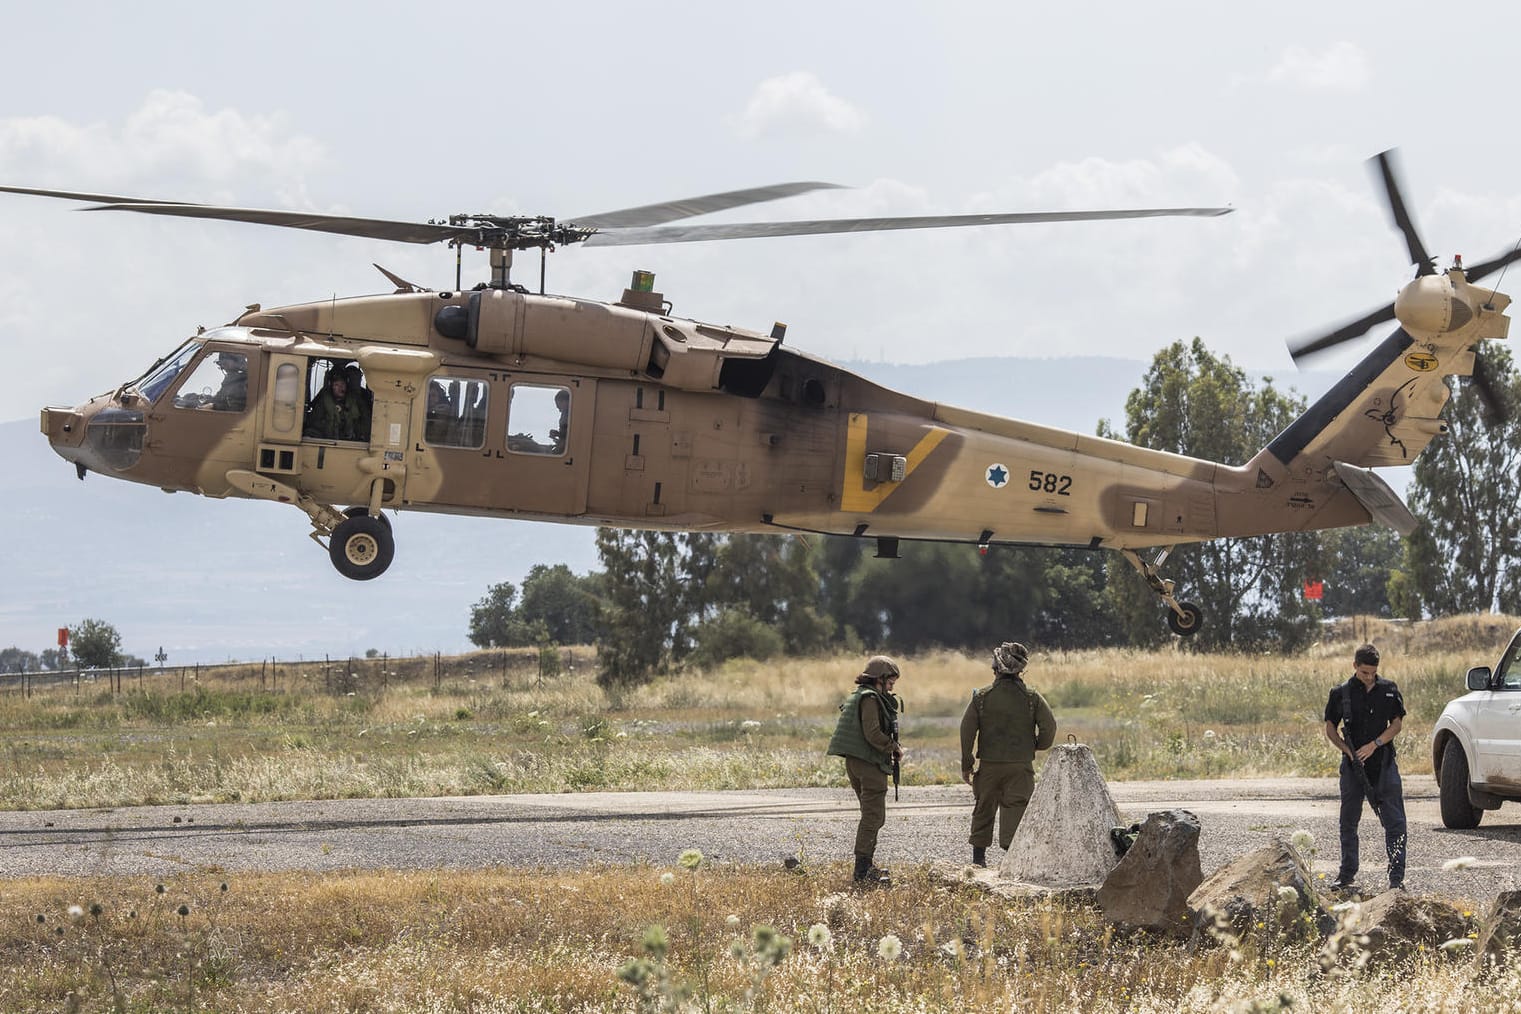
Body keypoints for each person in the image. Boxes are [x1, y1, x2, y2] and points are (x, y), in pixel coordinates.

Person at [959, 641, 1057, 867]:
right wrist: (1035, 746)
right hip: (1020, 766)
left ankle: (978, 860)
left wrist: (967, 764)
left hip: (989, 766)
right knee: (1017, 808)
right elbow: (1049, 727)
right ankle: (1012, 864)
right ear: (1020, 669)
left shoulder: (981, 697)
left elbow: (967, 732)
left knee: (984, 807)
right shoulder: (1033, 698)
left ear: (996, 668)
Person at [1323, 643, 1407, 892]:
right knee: (1348, 821)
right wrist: (1348, 752)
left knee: (1395, 822)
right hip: (1352, 766)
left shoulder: (1389, 689)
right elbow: (1330, 728)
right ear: (1355, 666)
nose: (1369, 677)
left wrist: (1375, 744)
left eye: (1372, 672)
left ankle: (1396, 878)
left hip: (1383, 763)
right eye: (1364, 672)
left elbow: (1397, 723)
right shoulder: (1341, 693)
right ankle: (1347, 874)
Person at [826, 655, 903, 886]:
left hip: (857, 763)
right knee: (873, 816)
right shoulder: (870, 699)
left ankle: (865, 866)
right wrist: (894, 747)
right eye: (890, 682)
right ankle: (862, 870)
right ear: (879, 679)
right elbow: (872, 733)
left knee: (872, 815)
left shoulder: (859, 696)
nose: (891, 687)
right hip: (869, 765)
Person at [304, 367, 369, 441]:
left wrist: (354, 429)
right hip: (329, 441)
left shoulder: (356, 400)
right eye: (336, 385)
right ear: (331, 386)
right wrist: (330, 426)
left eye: (342, 384)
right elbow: (314, 421)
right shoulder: (324, 401)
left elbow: (366, 421)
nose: (340, 388)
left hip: (351, 443)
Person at [549, 388, 571, 454]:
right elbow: (566, 434)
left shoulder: (571, 415)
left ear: (565, 401)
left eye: (559, 407)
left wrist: (556, 452)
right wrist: (558, 434)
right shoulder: (565, 414)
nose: (559, 410)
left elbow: (568, 439)